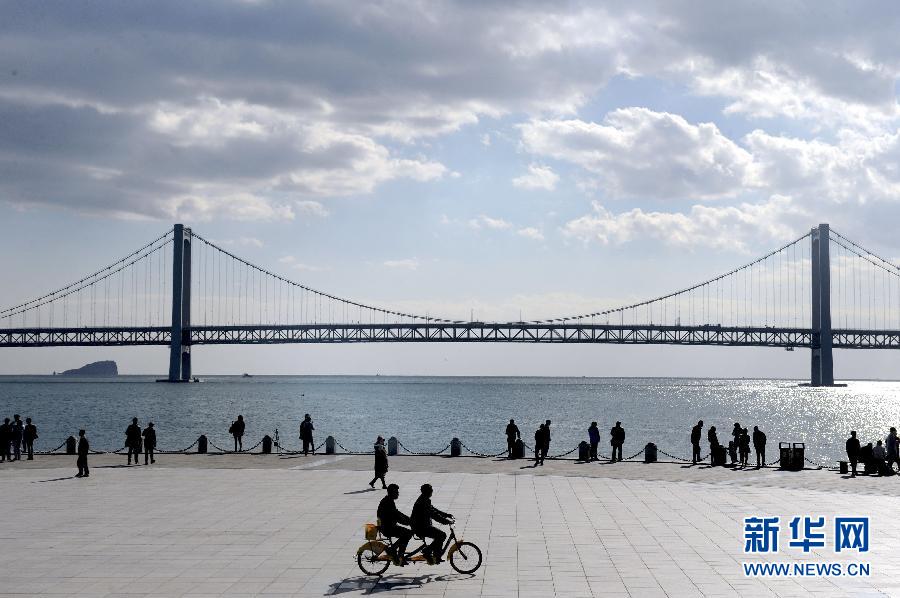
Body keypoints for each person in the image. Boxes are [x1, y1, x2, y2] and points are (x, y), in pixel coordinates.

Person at [411, 483, 453, 565]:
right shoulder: (422, 502)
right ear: (426, 492)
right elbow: (433, 514)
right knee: (442, 535)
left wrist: (446, 515)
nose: (432, 492)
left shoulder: (424, 499)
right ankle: (427, 552)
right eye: (431, 490)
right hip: (420, 527)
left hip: (423, 526)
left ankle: (436, 557)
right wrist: (445, 521)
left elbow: (434, 510)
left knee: (440, 535)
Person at [377, 484, 413, 566]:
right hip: (387, 528)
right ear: (391, 493)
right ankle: (395, 552)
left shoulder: (388, 500)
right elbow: (397, 516)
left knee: (407, 533)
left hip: (388, 526)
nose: (398, 494)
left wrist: (409, 520)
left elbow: (397, 513)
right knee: (408, 533)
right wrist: (408, 522)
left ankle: (398, 554)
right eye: (396, 492)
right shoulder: (388, 502)